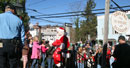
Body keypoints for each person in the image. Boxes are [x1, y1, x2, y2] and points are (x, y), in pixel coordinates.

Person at [0, 3, 25, 68]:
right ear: (13, 10)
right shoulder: (19, 20)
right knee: (13, 63)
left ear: (5, 10)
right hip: (13, 45)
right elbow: (22, 36)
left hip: (0, 44)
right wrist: (21, 47)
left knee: (1, 63)